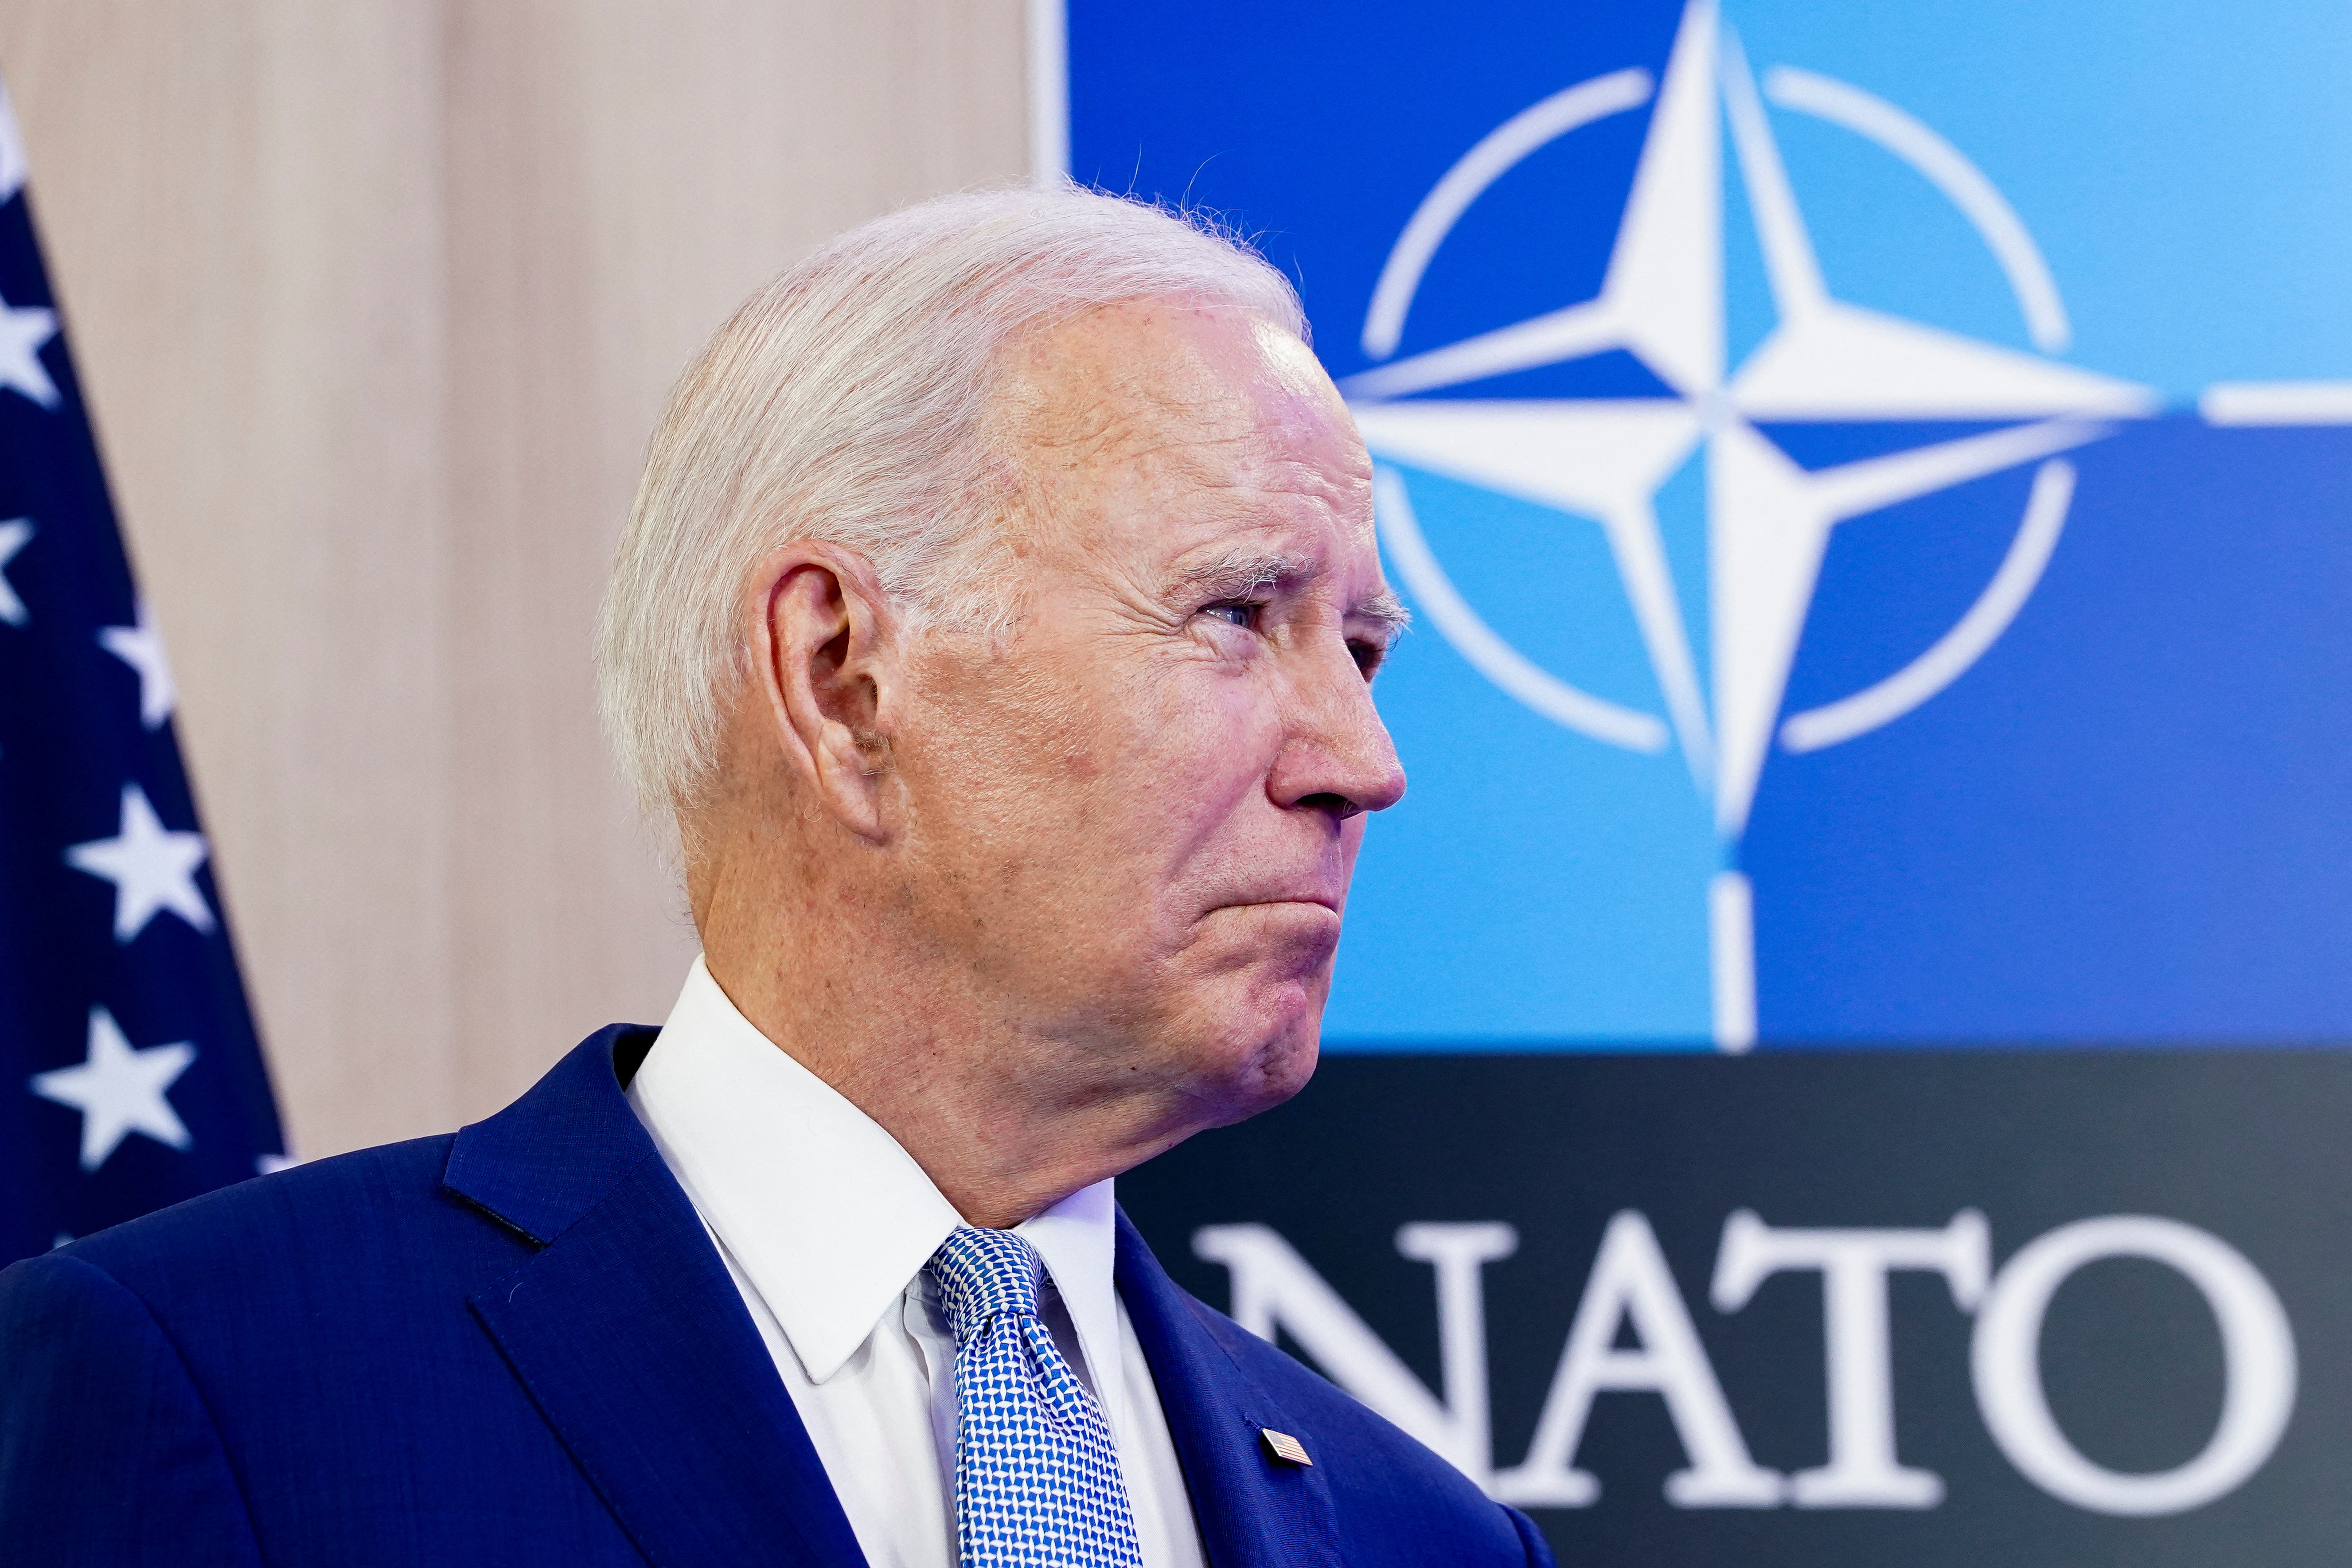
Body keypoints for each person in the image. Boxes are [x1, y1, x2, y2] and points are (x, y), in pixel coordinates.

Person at [0, 185, 1554, 1568]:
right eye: (1234, 614)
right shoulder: (222, 1382)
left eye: (1358, 650)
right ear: (841, 677)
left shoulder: (1422, 1531)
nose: (1363, 759)